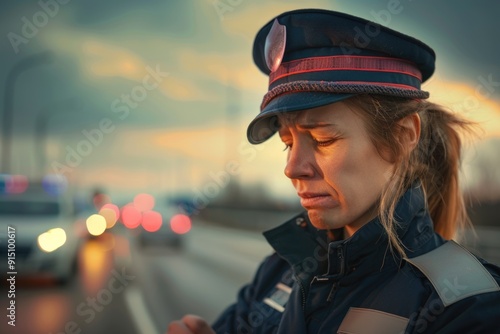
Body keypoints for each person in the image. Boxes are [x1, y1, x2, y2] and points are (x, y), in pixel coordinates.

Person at [167, 8, 500, 334]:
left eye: (323, 139)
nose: (292, 168)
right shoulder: (282, 269)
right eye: (287, 143)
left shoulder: (468, 305)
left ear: (403, 137)